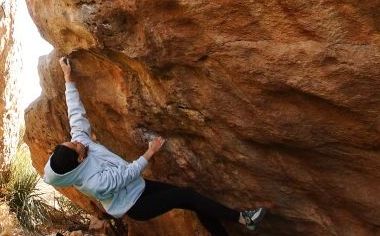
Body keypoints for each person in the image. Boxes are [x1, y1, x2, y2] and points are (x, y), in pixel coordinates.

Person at [43, 56, 268, 235]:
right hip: (136, 205)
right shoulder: (92, 183)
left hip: (139, 187)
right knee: (187, 196)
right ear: (80, 160)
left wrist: (68, 78)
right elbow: (124, 176)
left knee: (193, 200)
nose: (76, 141)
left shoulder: (79, 145)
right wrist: (149, 153)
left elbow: (75, 114)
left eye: (71, 141)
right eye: (75, 146)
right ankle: (243, 218)